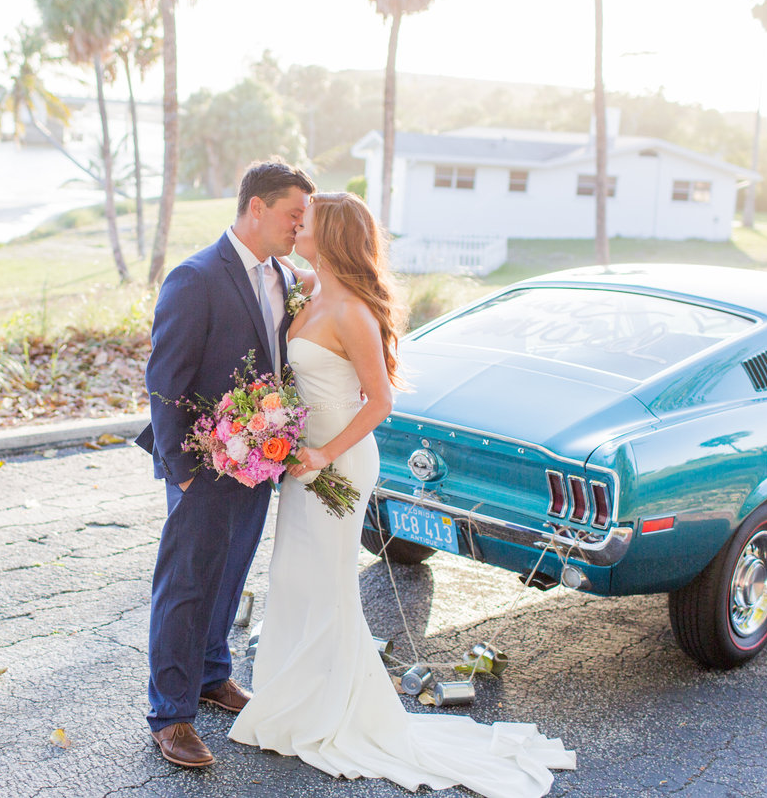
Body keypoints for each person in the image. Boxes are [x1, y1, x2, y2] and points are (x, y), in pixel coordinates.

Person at [229, 192, 576, 797]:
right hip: (300, 460)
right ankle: (291, 698)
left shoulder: (352, 313)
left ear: (330, 234)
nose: (296, 226)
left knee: (328, 583)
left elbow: (381, 401)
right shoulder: (306, 289)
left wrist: (321, 453)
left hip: (335, 461)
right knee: (292, 577)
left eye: (304, 221)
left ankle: (331, 710)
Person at [136, 159, 317, 769]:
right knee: (187, 585)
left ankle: (213, 676)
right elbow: (164, 381)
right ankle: (171, 715)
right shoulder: (195, 277)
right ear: (257, 207)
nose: (301, 225)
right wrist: (181, 470)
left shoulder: (287, 278)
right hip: (202, 466)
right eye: (294, 213)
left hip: (259, 461)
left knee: (233, 570)